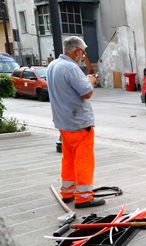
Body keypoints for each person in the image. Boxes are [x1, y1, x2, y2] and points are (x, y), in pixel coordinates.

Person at [48, 36, 103, 208]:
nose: (83, 56)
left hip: (64, 124)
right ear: (77, 51)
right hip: (79, 124)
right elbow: (86, 93)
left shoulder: (53, 66)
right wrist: (91, 81)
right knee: (84, 160)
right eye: (83, 52)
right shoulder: (71, 68)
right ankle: (84, 197)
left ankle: (68, 192)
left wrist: (85, 80)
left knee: (68, 159)